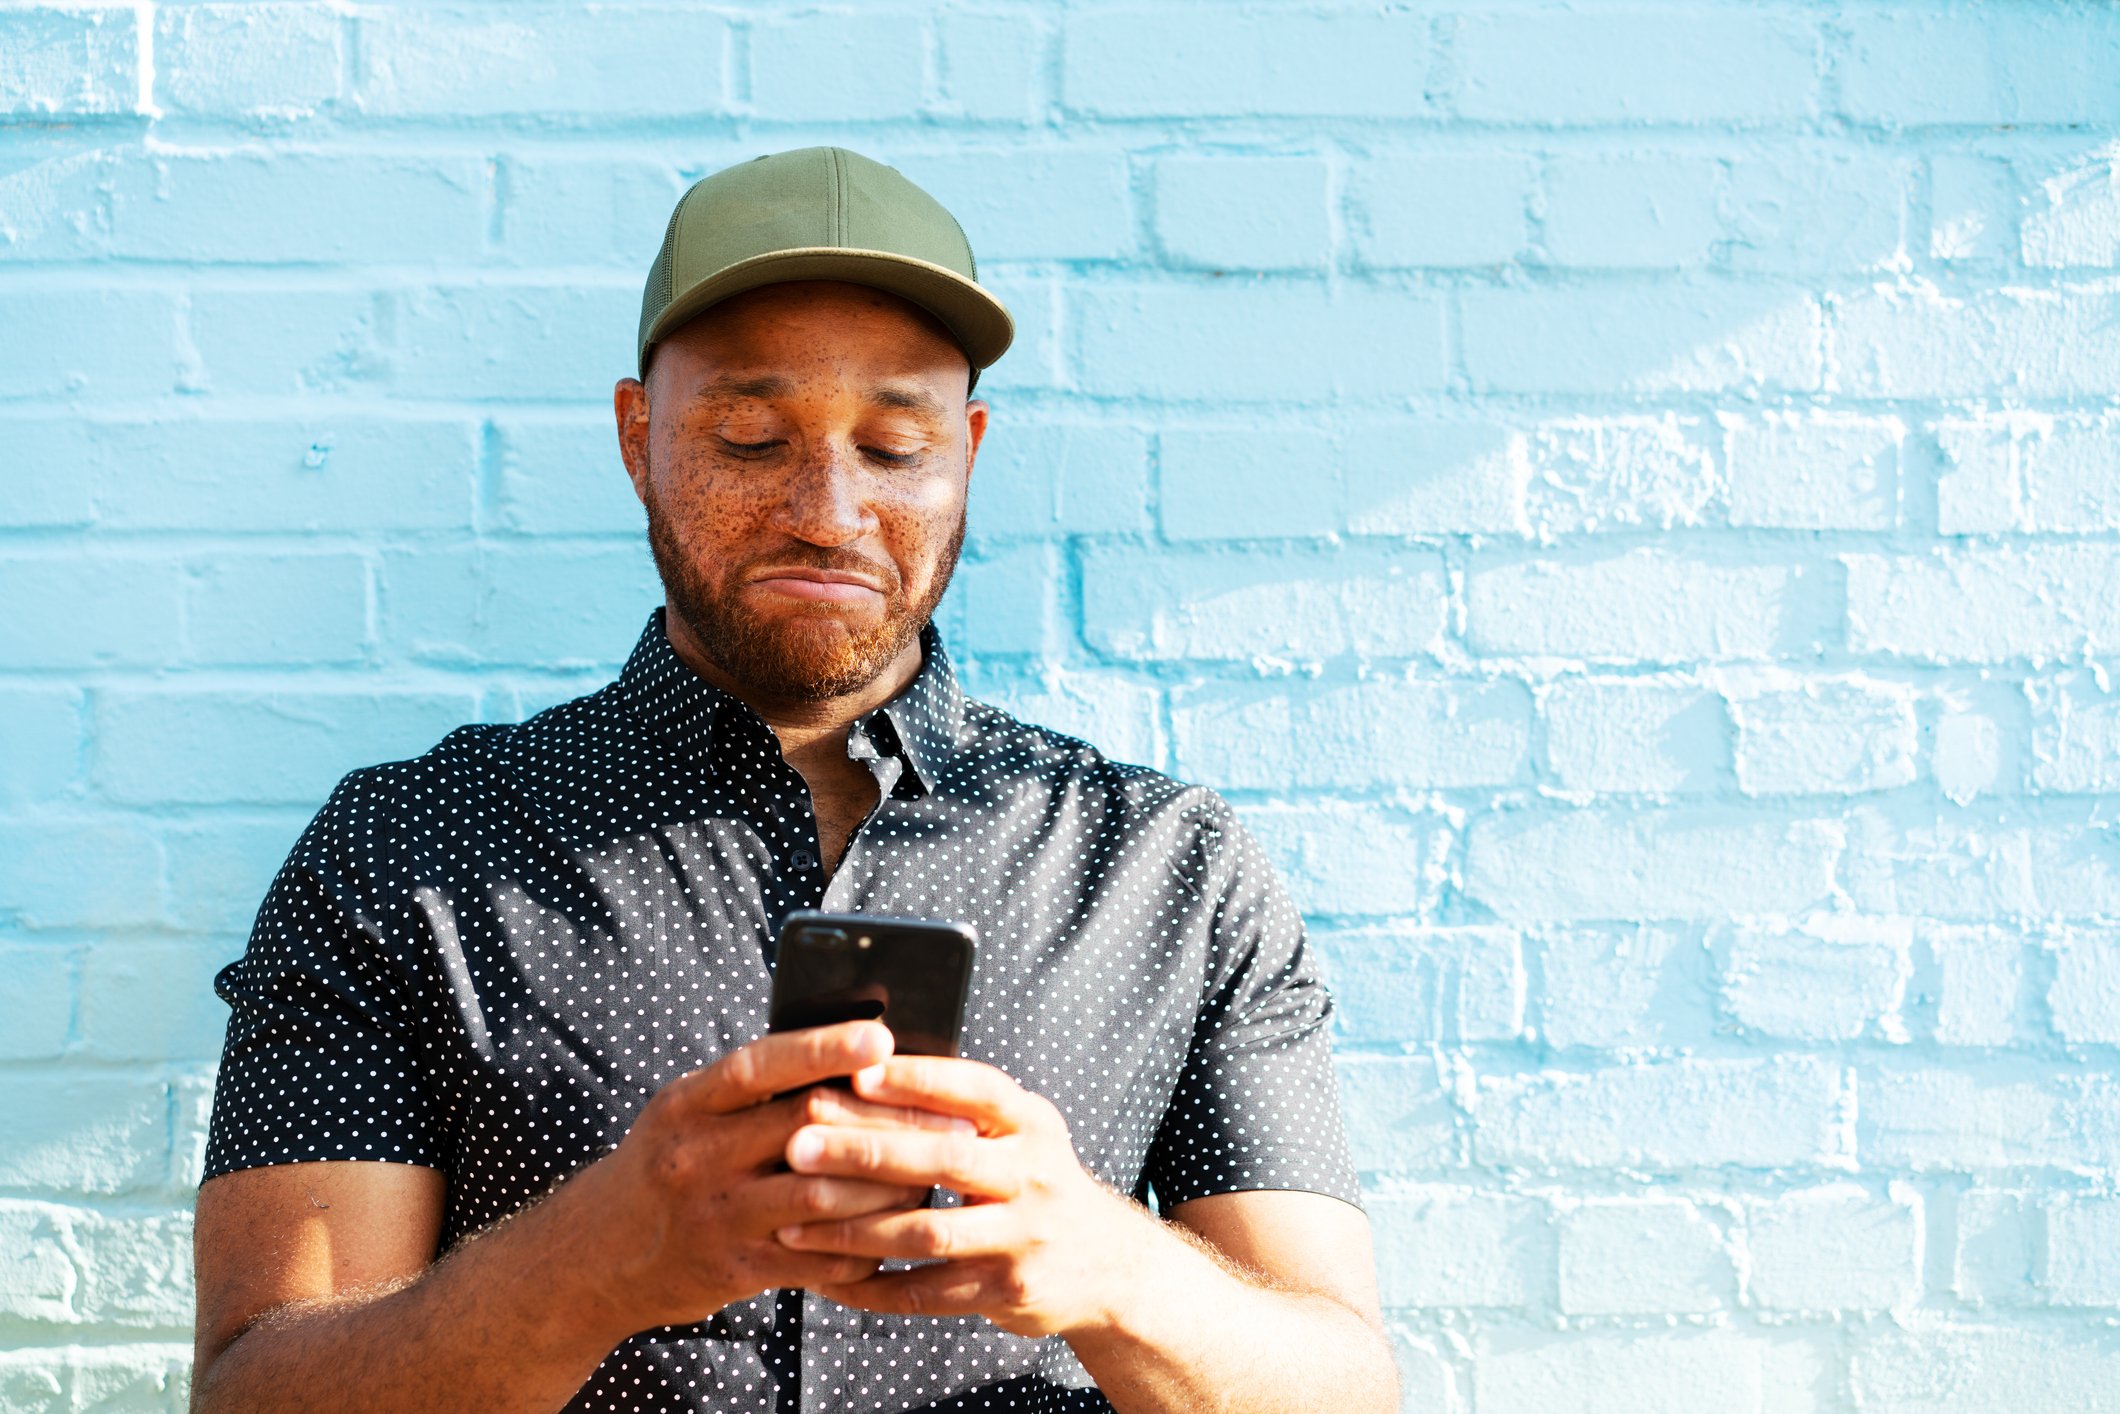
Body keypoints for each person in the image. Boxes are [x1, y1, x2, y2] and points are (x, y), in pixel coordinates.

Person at [190, 145, 1395, 1414]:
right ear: (637, 435)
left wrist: (1111, 1269)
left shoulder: (1168, 870)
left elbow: (1343, 1389)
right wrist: (594, 1261)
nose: (827, 511)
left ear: (966, 452)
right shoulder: (405, 850)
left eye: (891, 444)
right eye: (751, 435)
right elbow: (254, 1392)